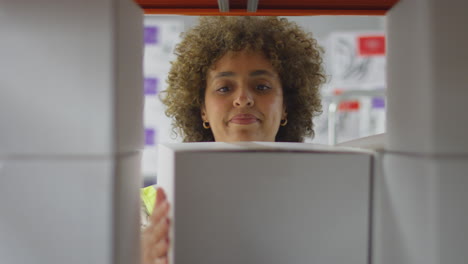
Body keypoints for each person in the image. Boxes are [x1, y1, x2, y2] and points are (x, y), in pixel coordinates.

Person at [141, 16, 326, 264]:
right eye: (224, 88)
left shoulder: (322, 200)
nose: (243, 99)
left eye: (261, 87)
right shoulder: (145, 212)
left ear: (286, 107)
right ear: (202, 110)